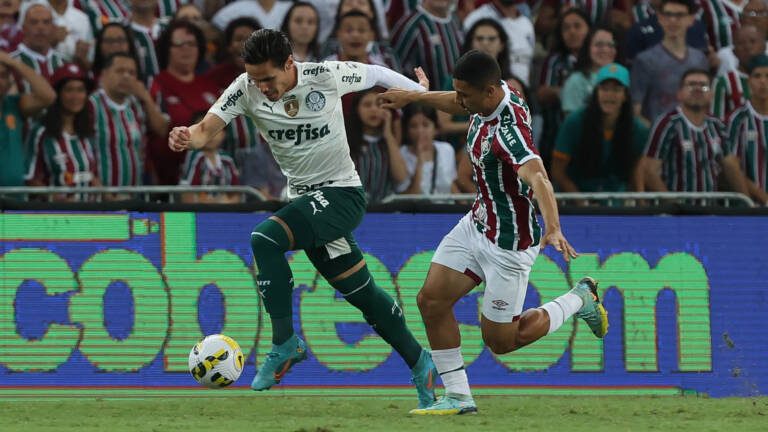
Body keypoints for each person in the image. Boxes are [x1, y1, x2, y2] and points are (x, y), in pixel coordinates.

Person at [167, 29, 439, 410]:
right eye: (256, 79)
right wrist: (186, 136)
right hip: (307, 203)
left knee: (265, 239)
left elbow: (375, 72)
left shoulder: (324, 76)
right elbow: (205, 129)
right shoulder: (244, 87)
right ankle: (421, 362)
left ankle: (284, 344)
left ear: (289, 65)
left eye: (268, 79)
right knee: (364, 296)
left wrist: (419, 92)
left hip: (342, 194)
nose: (262, 88)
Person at [379, 50, 608, 414]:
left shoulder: (509, 132)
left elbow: (540, 179)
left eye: (465, 95)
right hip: (476, 224)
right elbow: (456, 104)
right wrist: (415, 97)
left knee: (501, 341)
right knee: (431, 300)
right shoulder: (490, 95)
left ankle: (580, 299)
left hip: (509, 244)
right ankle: (457, 395)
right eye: (458, 92)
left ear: (488, 93)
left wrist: (554, 227)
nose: (460, 101)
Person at [639, 68, 740, 191]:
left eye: (703, 86)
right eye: (691, 85)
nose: (697, 89)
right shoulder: (667, 123)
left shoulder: (717, 125)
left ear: (711, 95)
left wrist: (749, 204)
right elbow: (650, 171)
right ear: (679, 93)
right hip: (676, 207)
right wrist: (675, 206)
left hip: (710, 206)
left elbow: (731, 166)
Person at [553, 63, 648, 193]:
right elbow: (558, 171)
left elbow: (636, 171)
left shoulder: (638, 130)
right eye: (604, 89)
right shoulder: (574, 122)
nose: (609, 95)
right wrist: (581, 202)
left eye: (616, 90)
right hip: (577, 197)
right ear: (596, 92)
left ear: (625, 95)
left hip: (618, 198)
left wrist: (639, 203)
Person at [26, 63, 99, 201]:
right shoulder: (41, 132)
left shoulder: (88, 133)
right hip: (55, 217)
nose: (75, 96)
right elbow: (30, 179)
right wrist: (60, 201)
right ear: (57, 94)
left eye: (80, 90)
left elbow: (91, 176)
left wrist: (111, 199)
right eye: (69, 90)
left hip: (91, 215)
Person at [631, 0, 708, 125]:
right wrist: (656, 134)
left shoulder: (700, 59)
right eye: (668, 15)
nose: (673, 20)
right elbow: (635, 109)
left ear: (691, 19)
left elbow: (705, 101)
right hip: (658, 135)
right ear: (660, 18)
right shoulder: (645, 60)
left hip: (693, 134)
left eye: (679, 15)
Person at [0, 50, 56, 187]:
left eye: (3, 76)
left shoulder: (14, 105)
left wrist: (15, 63)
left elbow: (48, 96)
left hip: (16, 199)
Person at [345, 88, 408, 203]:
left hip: (384, 211)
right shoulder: (345, 141)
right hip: (352, 209)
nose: (374, 109)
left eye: (379, 105)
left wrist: (388, 134)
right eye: (367, 105)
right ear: (357, 109)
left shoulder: (388, 143)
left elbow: (401, 178)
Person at [724, 54, 768, 205]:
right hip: (750, 205)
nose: (763, 82)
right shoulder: (737, 118)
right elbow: (731, 165)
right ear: (749, 81)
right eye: (757, 76)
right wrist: (759, 198)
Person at [396, 103, 458, 195]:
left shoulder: (446, 149)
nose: (420, 131)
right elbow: (412, 196)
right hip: (417, 209)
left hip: (445, 208)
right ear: (407, 130)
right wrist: (420, 162)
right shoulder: (401, 154)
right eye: (413, 126)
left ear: (435, 128)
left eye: (425, 125)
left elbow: (450, 184)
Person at [561, 25, 618, 116]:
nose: (605, 49)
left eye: (611, 45)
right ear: (588, 48)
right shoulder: (576, 81)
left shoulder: (623, 77)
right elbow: (571, 121)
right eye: (599, 45)